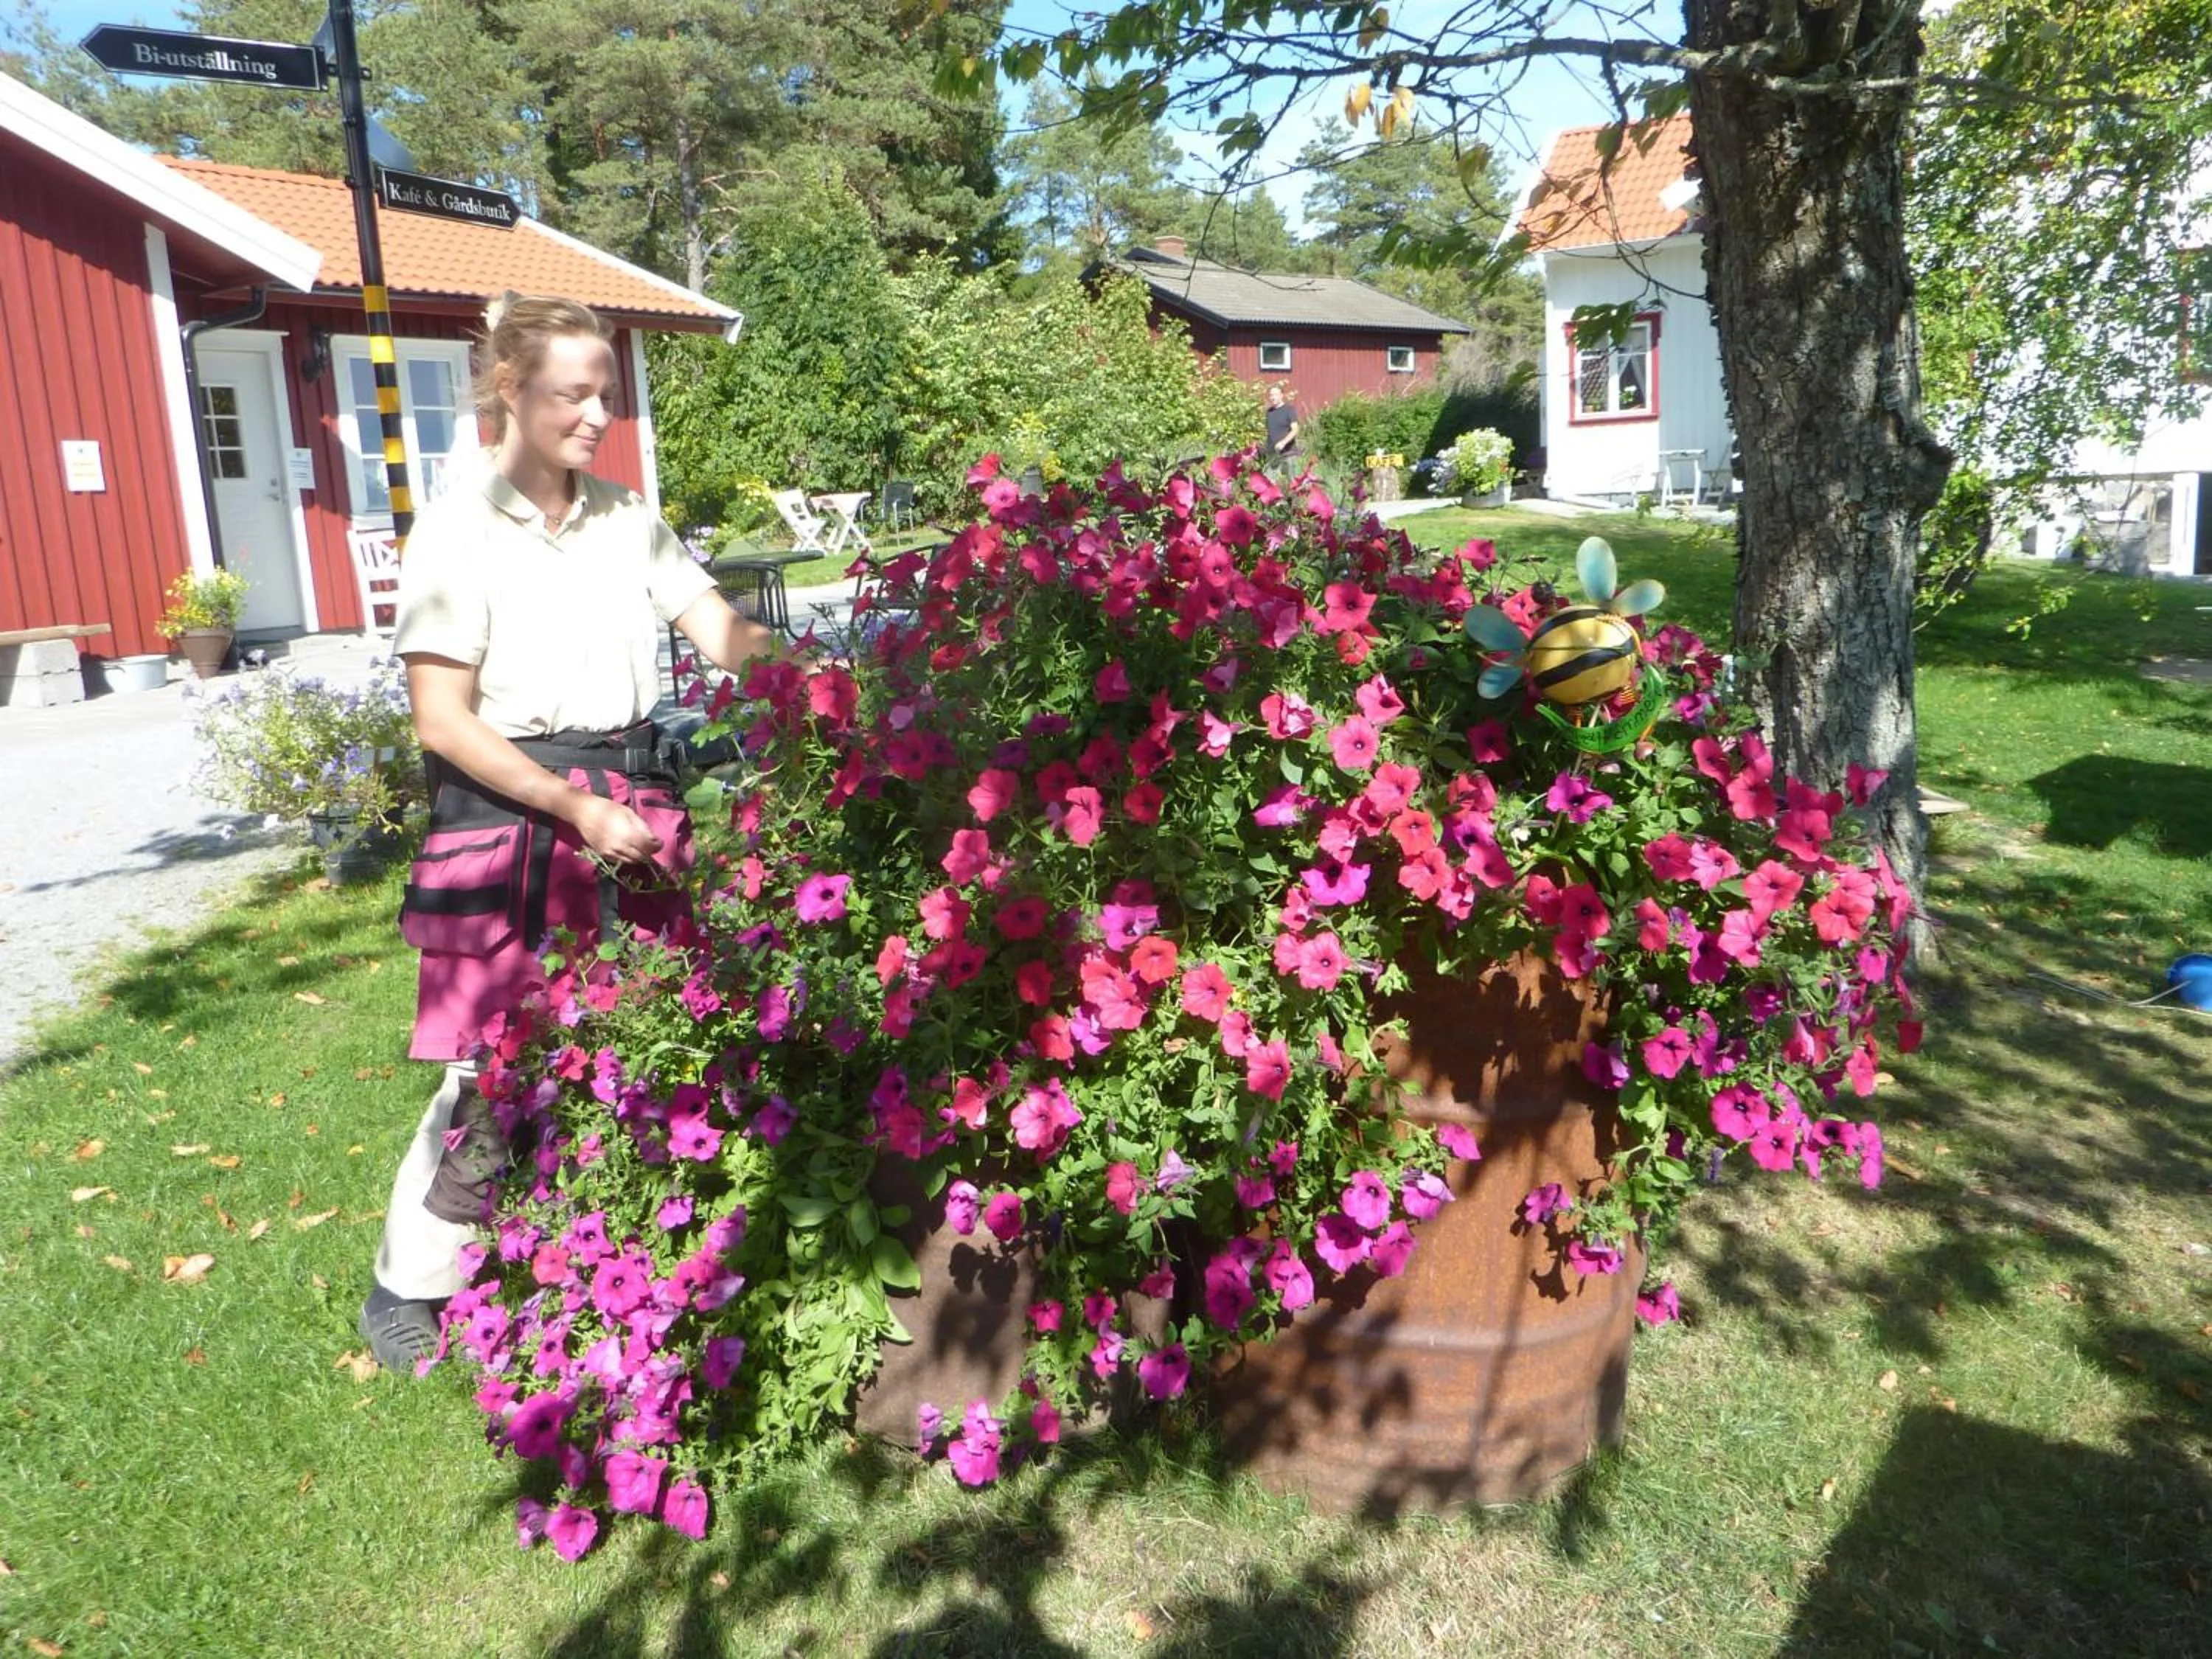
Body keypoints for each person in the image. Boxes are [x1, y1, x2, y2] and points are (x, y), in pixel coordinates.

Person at [358, 292, 785, 1371]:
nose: (599, 413)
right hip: (514, 821)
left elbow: (717, 625)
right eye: (575, 393)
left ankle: (611, 1246)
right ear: (511, 389)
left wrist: (816, 673)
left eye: (608, 391)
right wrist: (573, 808)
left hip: (630, 808)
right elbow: (441, 719)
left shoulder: (624, 516)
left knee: (649, 1035)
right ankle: (409, 1280)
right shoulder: (456, 531)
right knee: (491, 1072)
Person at [1264, 383, 1301, 473]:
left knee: (1291, 484)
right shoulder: (1269, 412)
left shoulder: (1289, 410)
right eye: (1271, 395)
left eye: (1275, 395)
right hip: (1273, 455)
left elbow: (1295, 429)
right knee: (1271, 483)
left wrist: (1283, 443)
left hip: (1288, 454)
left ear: (1281, 395)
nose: (1272, 397)